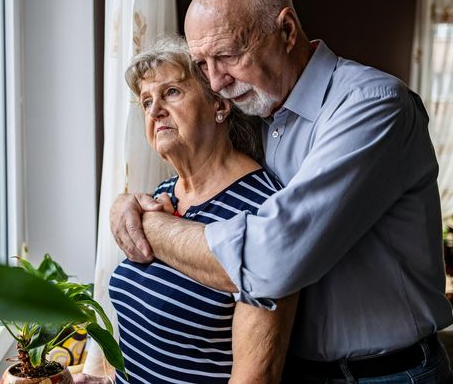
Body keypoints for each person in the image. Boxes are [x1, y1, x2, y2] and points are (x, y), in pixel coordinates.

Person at [110, 0, 453, 383]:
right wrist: (124, 202)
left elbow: (270, 260)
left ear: (287, 31)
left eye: (228, 55)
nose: (216, 82)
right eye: (203, 65)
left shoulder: (371, 105)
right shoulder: (261, 110)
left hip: (386, 375)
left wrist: (149, 226)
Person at [75, 36, 298, 384]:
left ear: (219, 105)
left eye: (172, 92)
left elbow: (256, 377)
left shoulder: (263, 210)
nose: (154, 110)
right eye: (146, 101)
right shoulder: (163, 196)